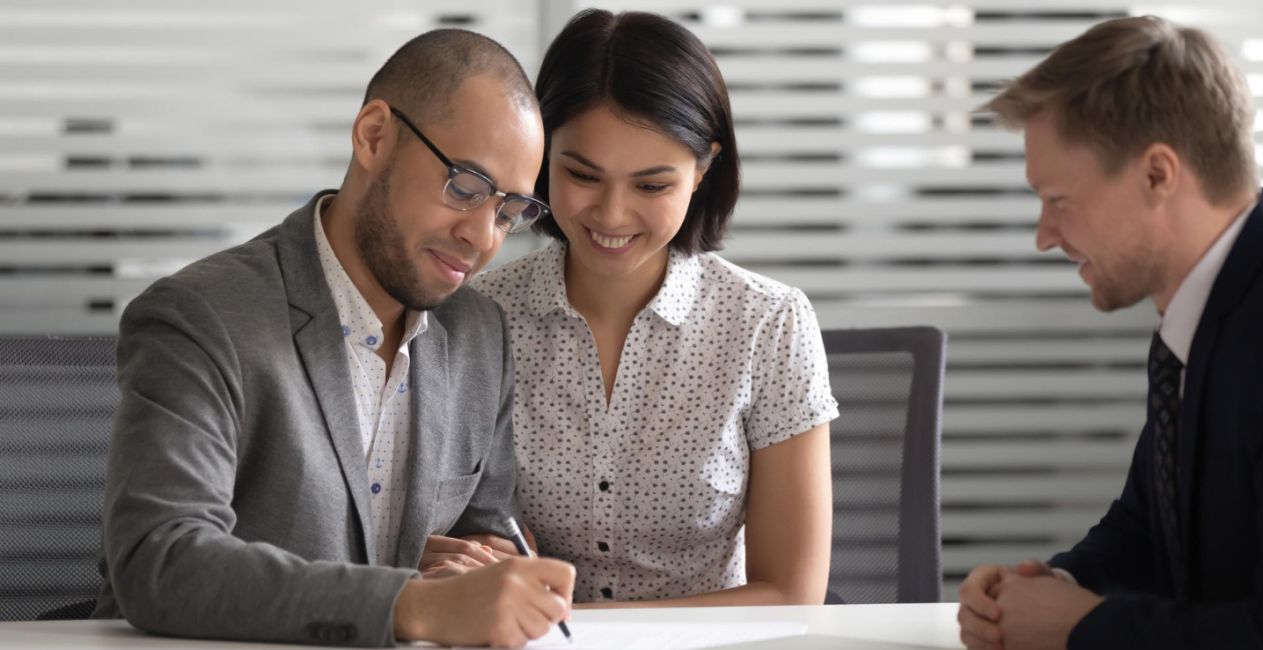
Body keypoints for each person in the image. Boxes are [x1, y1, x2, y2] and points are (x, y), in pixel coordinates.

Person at [93, 29, 575, 648]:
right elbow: (161, 560)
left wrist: (481, 564)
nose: (482, 237)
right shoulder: (202, 316)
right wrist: (415, 603)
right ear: (375, 136)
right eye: (465, 187)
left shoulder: (479, 335)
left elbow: (490, 526)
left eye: (508, 213)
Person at [957, 15, 1263, 650]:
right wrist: (1044, 587)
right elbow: (1149, 531)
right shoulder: (1209, 314)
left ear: (1158, 174)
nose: (1044, 236)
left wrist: (1078, 627)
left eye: (1059, 200)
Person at [469, 9, 837, 607]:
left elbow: (792, 595)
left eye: (651, 186)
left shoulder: (769, 324)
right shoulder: (478, 316)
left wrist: (602, 634)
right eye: (583, 175)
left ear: (703, 169)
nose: (612, 215)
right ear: (540, 156)